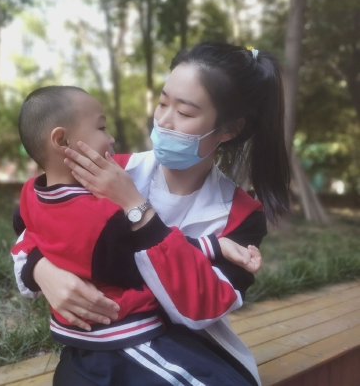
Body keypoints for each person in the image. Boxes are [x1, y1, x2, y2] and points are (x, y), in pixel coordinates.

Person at [22, 42, 290, 386]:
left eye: (185, 112)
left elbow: (202, 307)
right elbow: (37, 219)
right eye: (163, 103)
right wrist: (40, 270)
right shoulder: (107, 169)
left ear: (229, 129)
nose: (163, 119)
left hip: (196, 354)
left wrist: (136, 207)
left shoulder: (242, 216)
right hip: (103, 348)